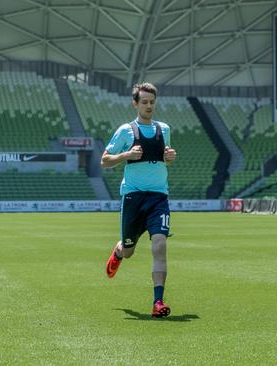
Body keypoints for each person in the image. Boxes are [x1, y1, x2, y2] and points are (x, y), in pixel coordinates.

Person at [102, 82, 177, 318]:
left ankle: (158, 302)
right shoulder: (126, 130)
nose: (148, 106)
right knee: (129, 250)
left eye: (152, 102)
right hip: (133, 197)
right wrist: (126, 154)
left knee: (160, 245)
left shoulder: (163, 129)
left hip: (158, 197)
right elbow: (105, 160)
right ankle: (119, 252)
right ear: (135, 103)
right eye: (144, 102)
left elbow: (164, 160)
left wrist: (169, 157)